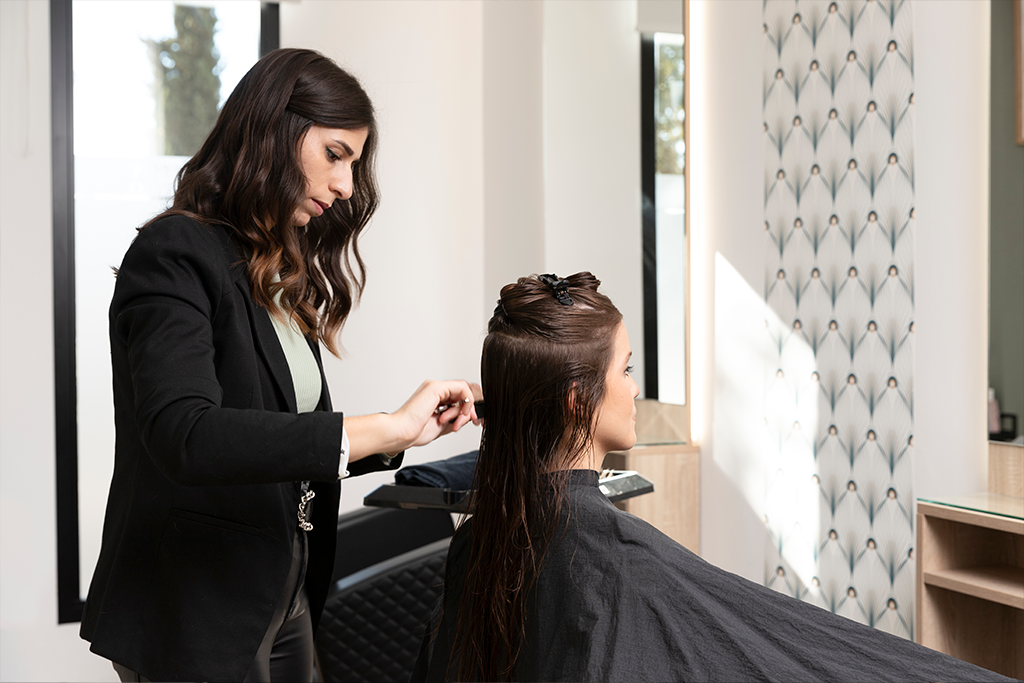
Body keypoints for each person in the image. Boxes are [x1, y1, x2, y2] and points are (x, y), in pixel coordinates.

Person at [79, 48, 480, 683]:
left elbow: (275, 434)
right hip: (195, 606)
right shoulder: (174, 252)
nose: (345, 186)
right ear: (274, 130)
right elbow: (187, 434)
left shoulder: (274, 269)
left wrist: (404, 432)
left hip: (281, 591)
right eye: (335, 154)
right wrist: (383, 427)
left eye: (354, 164)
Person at [413, 272, 1010, 683]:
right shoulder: (617, 561)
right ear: (577, 399)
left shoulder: (479, 538)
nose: (634, 389)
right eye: (625, 370)